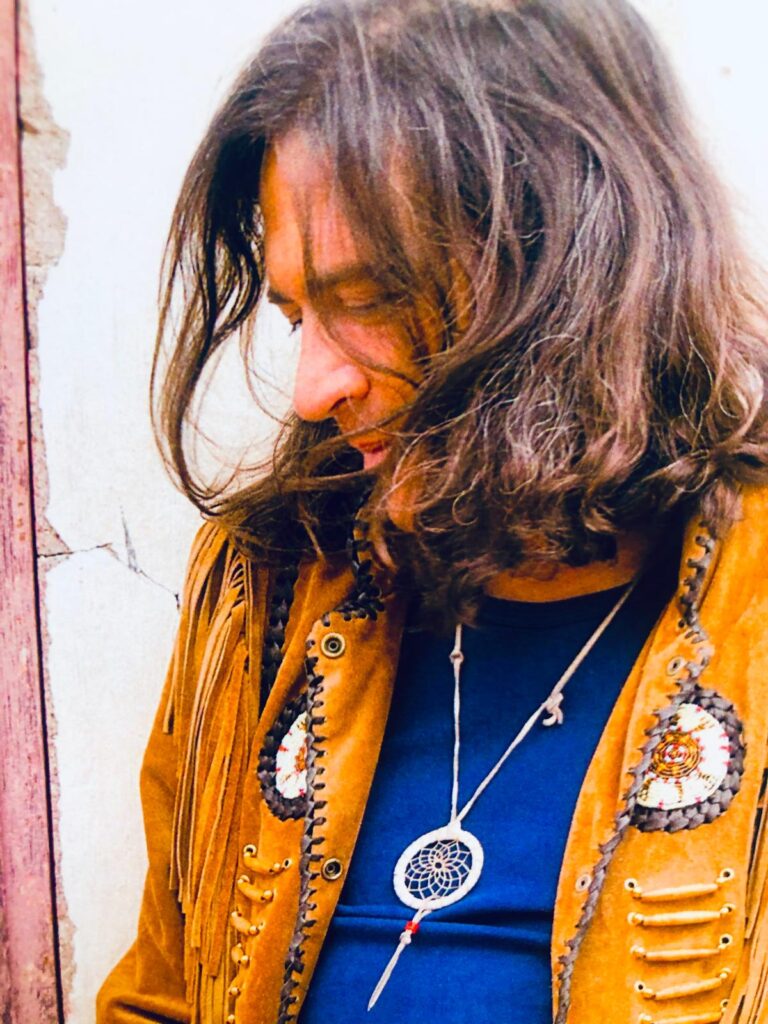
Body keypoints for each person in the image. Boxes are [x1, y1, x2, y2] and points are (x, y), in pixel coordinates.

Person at [97, 1, 768, 1022]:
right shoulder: (266, 589)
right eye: (295, 314)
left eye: (367, 299)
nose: (311, 389)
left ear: (571, 262)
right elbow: (164, 994)